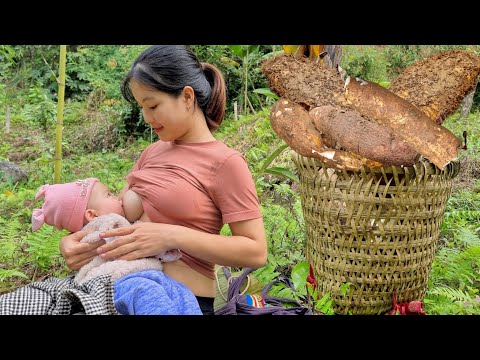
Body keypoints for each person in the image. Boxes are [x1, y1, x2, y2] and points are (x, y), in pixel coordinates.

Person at [59, 45, 268, 315]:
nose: (147, 118)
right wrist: (74, 241)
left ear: (187, 97)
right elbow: (118, 216)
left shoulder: (225, 163)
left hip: (181, 301)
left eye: (153, 105)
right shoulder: (151, 152)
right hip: (119, 291)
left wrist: (170, 235)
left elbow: (255, 251)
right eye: (142, 108)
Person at [30, 177, 202, 315]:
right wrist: (165, 246)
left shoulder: (103, 226)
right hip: (118, 281)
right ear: (91, 214)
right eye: (109, 195)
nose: (118, 197)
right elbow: (134, 240)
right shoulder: (108, 225)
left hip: (144, 276)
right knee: (149, 295)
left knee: (181, 294)